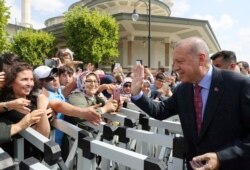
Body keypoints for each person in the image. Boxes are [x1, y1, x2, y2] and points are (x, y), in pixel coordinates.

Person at [131, 37, 250, 170]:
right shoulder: (183, 89)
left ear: (201, 58)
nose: (175, 68)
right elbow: (160, 111)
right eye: (174, 62)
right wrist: (137, 94)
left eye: (180, 61)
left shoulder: (239, 85)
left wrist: (221, 158)